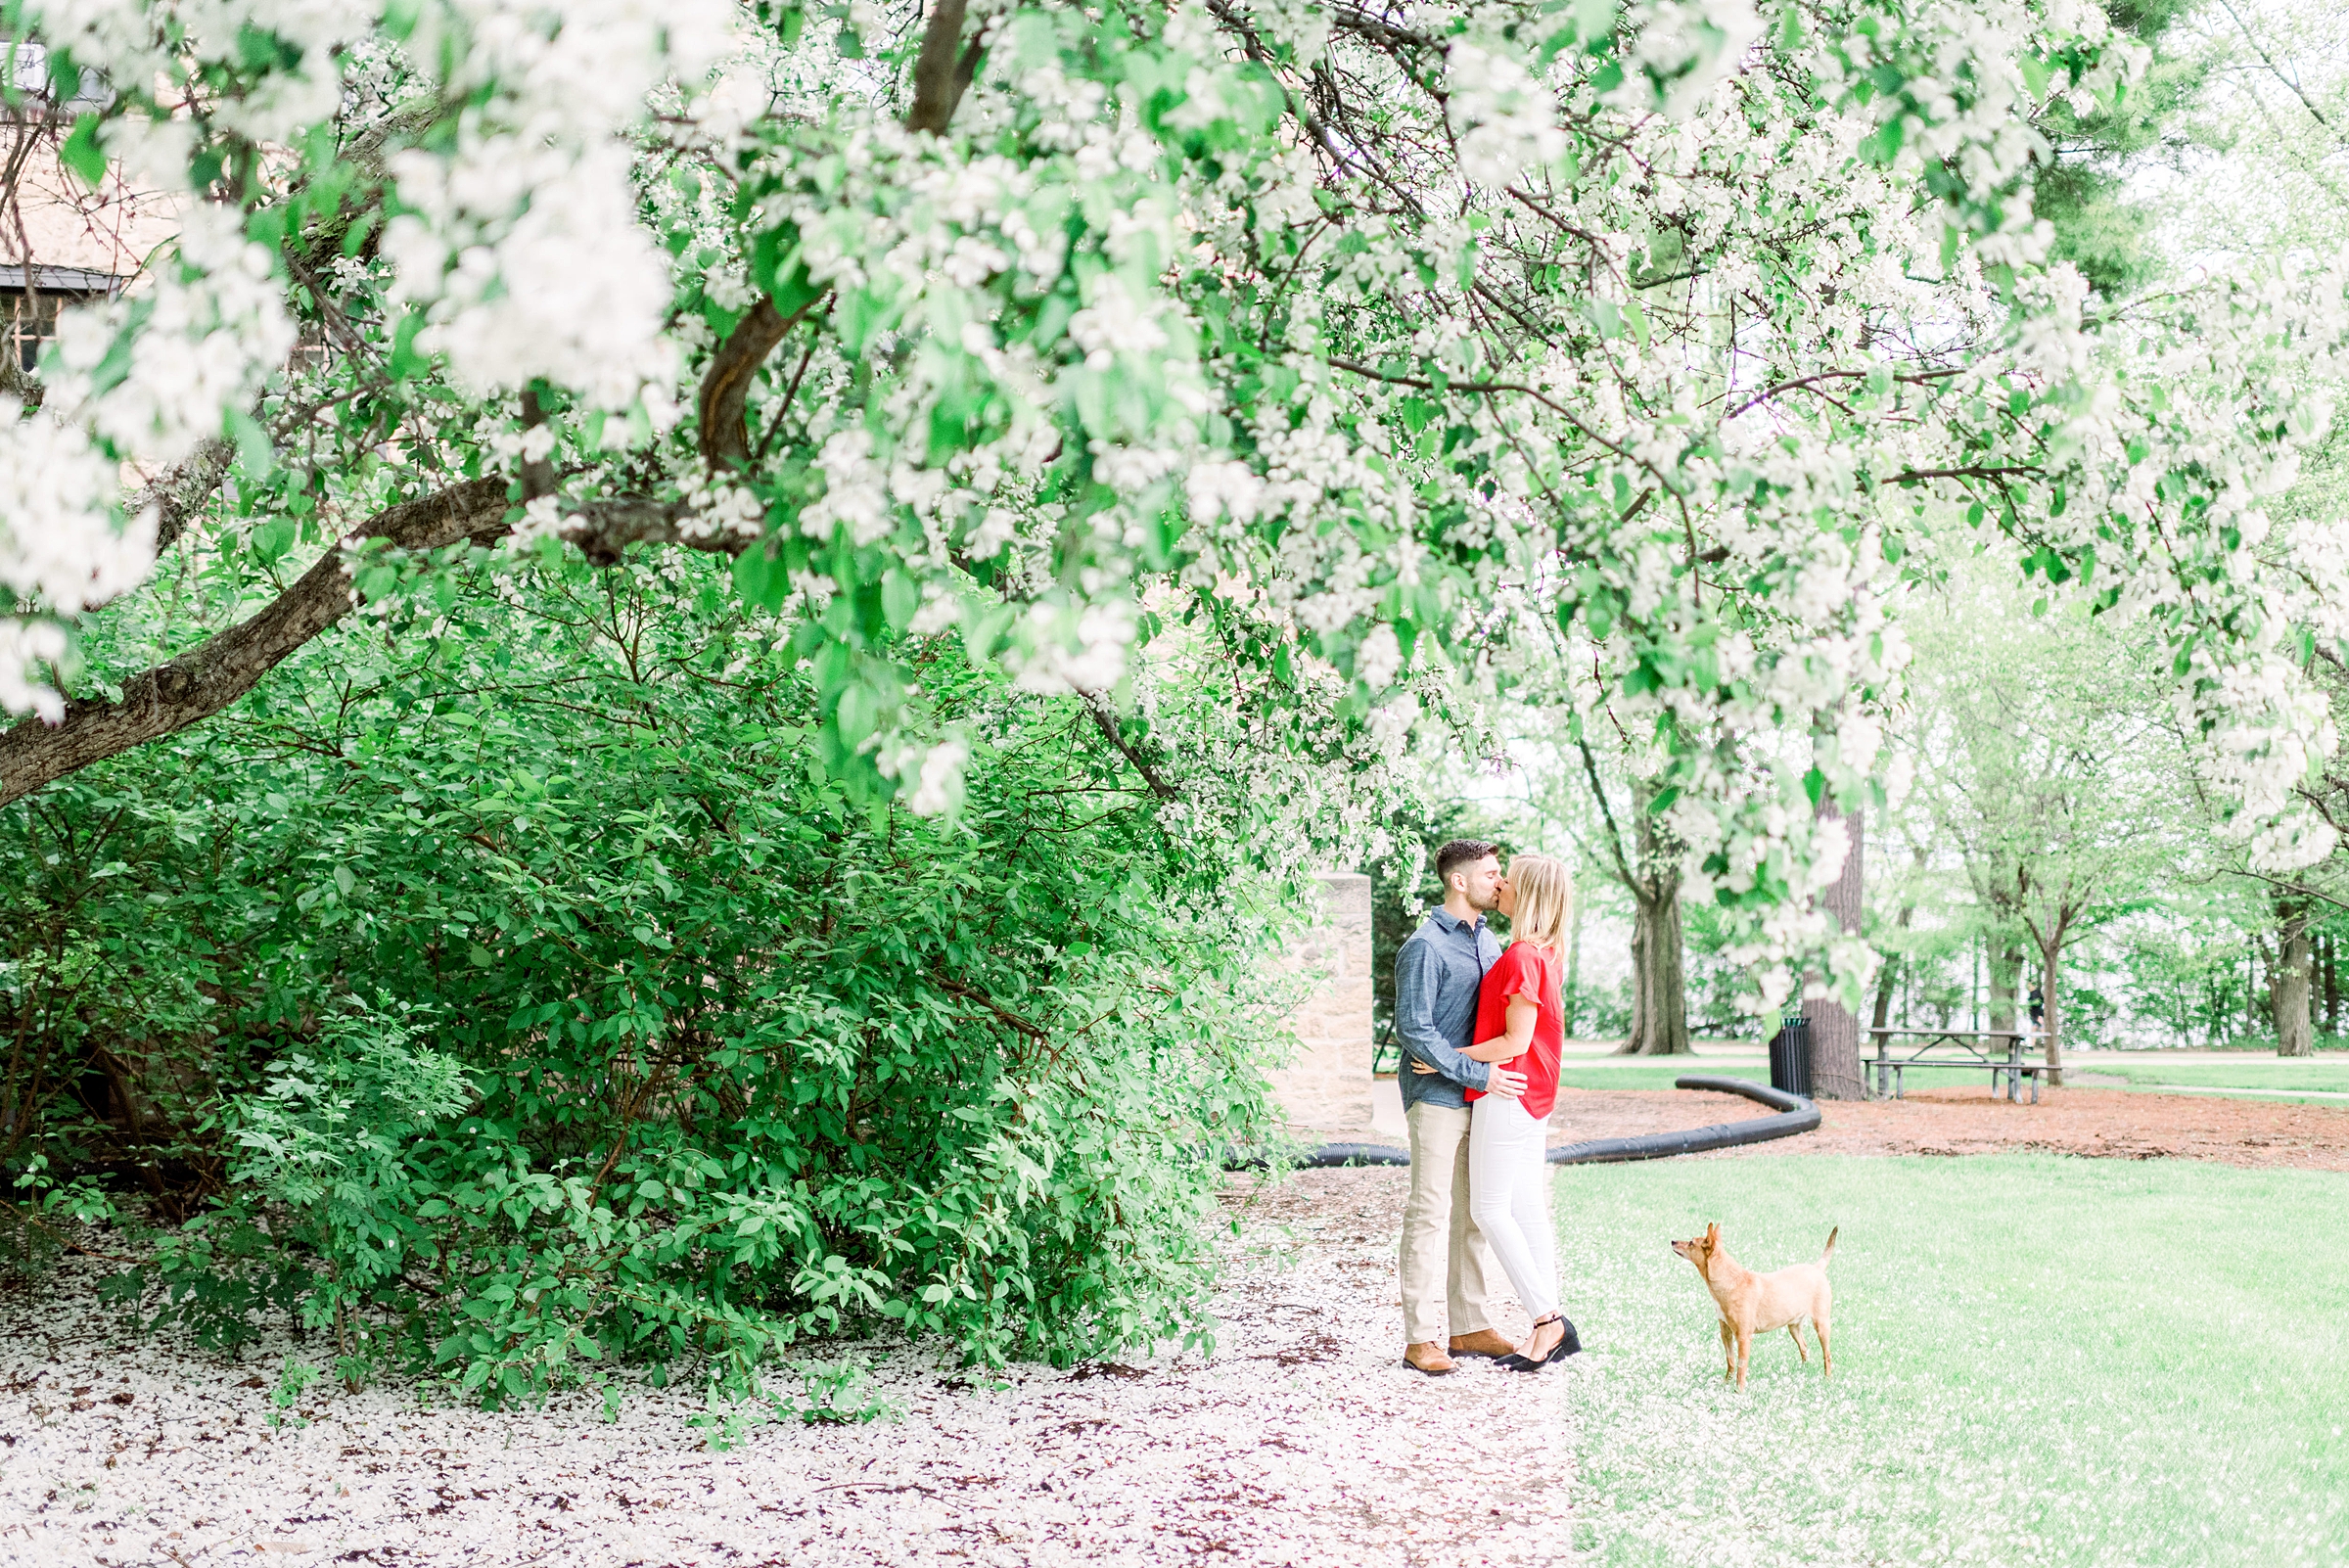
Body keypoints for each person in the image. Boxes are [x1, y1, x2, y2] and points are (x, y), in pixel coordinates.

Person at [1391, 840, 1528, 1375]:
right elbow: (1414, 1030)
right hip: (1437, 1099)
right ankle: (1419, 1337)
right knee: (1428, 1213)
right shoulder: (1424, 947)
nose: (1499, 882)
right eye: (1492, 874)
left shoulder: (1491, 942)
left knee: (1477, 1212)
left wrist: (1486, 1076)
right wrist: (1477, 1072)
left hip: (1483, 1097)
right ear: (1458, 882)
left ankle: (1469, 1325)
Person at [1455, 853, 1581, 1369]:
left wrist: (1448, 1057)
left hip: (1509, 1094)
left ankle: (1547, 1320)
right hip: (1529, 1098)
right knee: (1526, 1209)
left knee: (1488, 1209)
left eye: (1510, 879)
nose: (1500, 883)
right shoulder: (1541, 953)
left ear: (1527, 894)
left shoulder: (1526, 955)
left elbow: (1515, 1039)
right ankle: (1546, 1329)